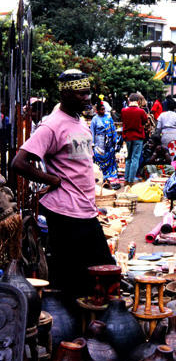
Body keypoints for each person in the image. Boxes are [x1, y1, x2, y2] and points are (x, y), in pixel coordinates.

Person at [11, 69, 113, 304]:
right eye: (80, 94)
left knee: (104, 271)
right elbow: (19, 162)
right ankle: (71, 332)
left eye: (88, 93)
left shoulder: (80, 122)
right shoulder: (51, 125)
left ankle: (90, 325)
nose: (86, 98)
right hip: (65, 211)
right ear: (66, 95)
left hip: (85, 208)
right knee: (72, 280)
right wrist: (52, 180)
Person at [90, 99, 119, 185]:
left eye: (104, 109)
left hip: (109, 142)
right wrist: (92, 143)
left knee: (110, 158)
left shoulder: (109, 117)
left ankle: (110, 176)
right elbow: (92, 131)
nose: (103, 111)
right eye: (101, 110)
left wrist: (115, 140)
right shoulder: (94, 119)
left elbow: (113, 129)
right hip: (99, 141)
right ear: (97, 110)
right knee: (99, 158)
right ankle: (100, 176)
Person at [121, 93, 147, 186]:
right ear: (139, 101)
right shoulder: (141, 112)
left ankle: (126, 180)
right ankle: (131, 181)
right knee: (135, 159)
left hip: (128, 137)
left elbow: (123, 122)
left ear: (129, 101)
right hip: (138, 137)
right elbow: (144, 121)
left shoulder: (124, 111)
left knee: (128, 159)